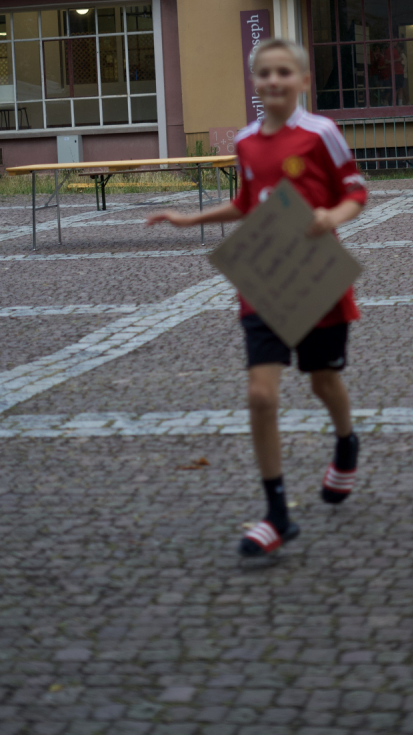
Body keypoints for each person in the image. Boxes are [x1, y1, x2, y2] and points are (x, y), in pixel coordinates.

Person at [146, 38, 367, 557]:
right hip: (264, 280)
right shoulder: (246, 142)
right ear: (255, 82)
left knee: (322, 380)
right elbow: (247, 202)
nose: (273, 80)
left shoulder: (322, 133)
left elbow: (356, 191)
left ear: (303, 81)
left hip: (316, 278)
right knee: (261, 396)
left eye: (284, 72)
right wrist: (190, 219)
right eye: (264, 72)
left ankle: (346, 442)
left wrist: (330, 217)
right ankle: (277, 513)